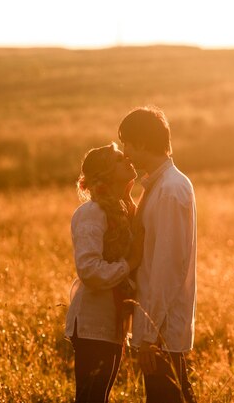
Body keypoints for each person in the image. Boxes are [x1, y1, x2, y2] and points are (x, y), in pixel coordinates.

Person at [118, 107, 197, 403]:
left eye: (127, 143)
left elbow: (168, 265)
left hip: (162, 330)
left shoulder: (170, 190)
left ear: (141, 142)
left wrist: (150, 334)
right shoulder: (159, 185)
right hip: (158, 327)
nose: (125, 152)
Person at [65, 143, 144, 403]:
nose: (129, 159)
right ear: (107, 173)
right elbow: (89, 271)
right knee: (91, 398)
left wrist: (127, 197)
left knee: (100, 397)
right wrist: (129, 264)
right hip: (92, 321)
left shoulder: (119, 211)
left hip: (111, 322)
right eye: (120, 159)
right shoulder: (91, 213)